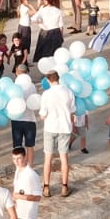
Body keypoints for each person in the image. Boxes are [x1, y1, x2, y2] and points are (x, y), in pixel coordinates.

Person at [39, 70, 75, 198]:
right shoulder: (68, 92)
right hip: (65, 127)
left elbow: (43, 115)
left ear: (48, 80)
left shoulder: (46, 94)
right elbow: (72, 111)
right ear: (58, 78)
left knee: (48, 158)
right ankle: (64, 186)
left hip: (50, 127)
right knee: (64, 158)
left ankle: (46, 187)